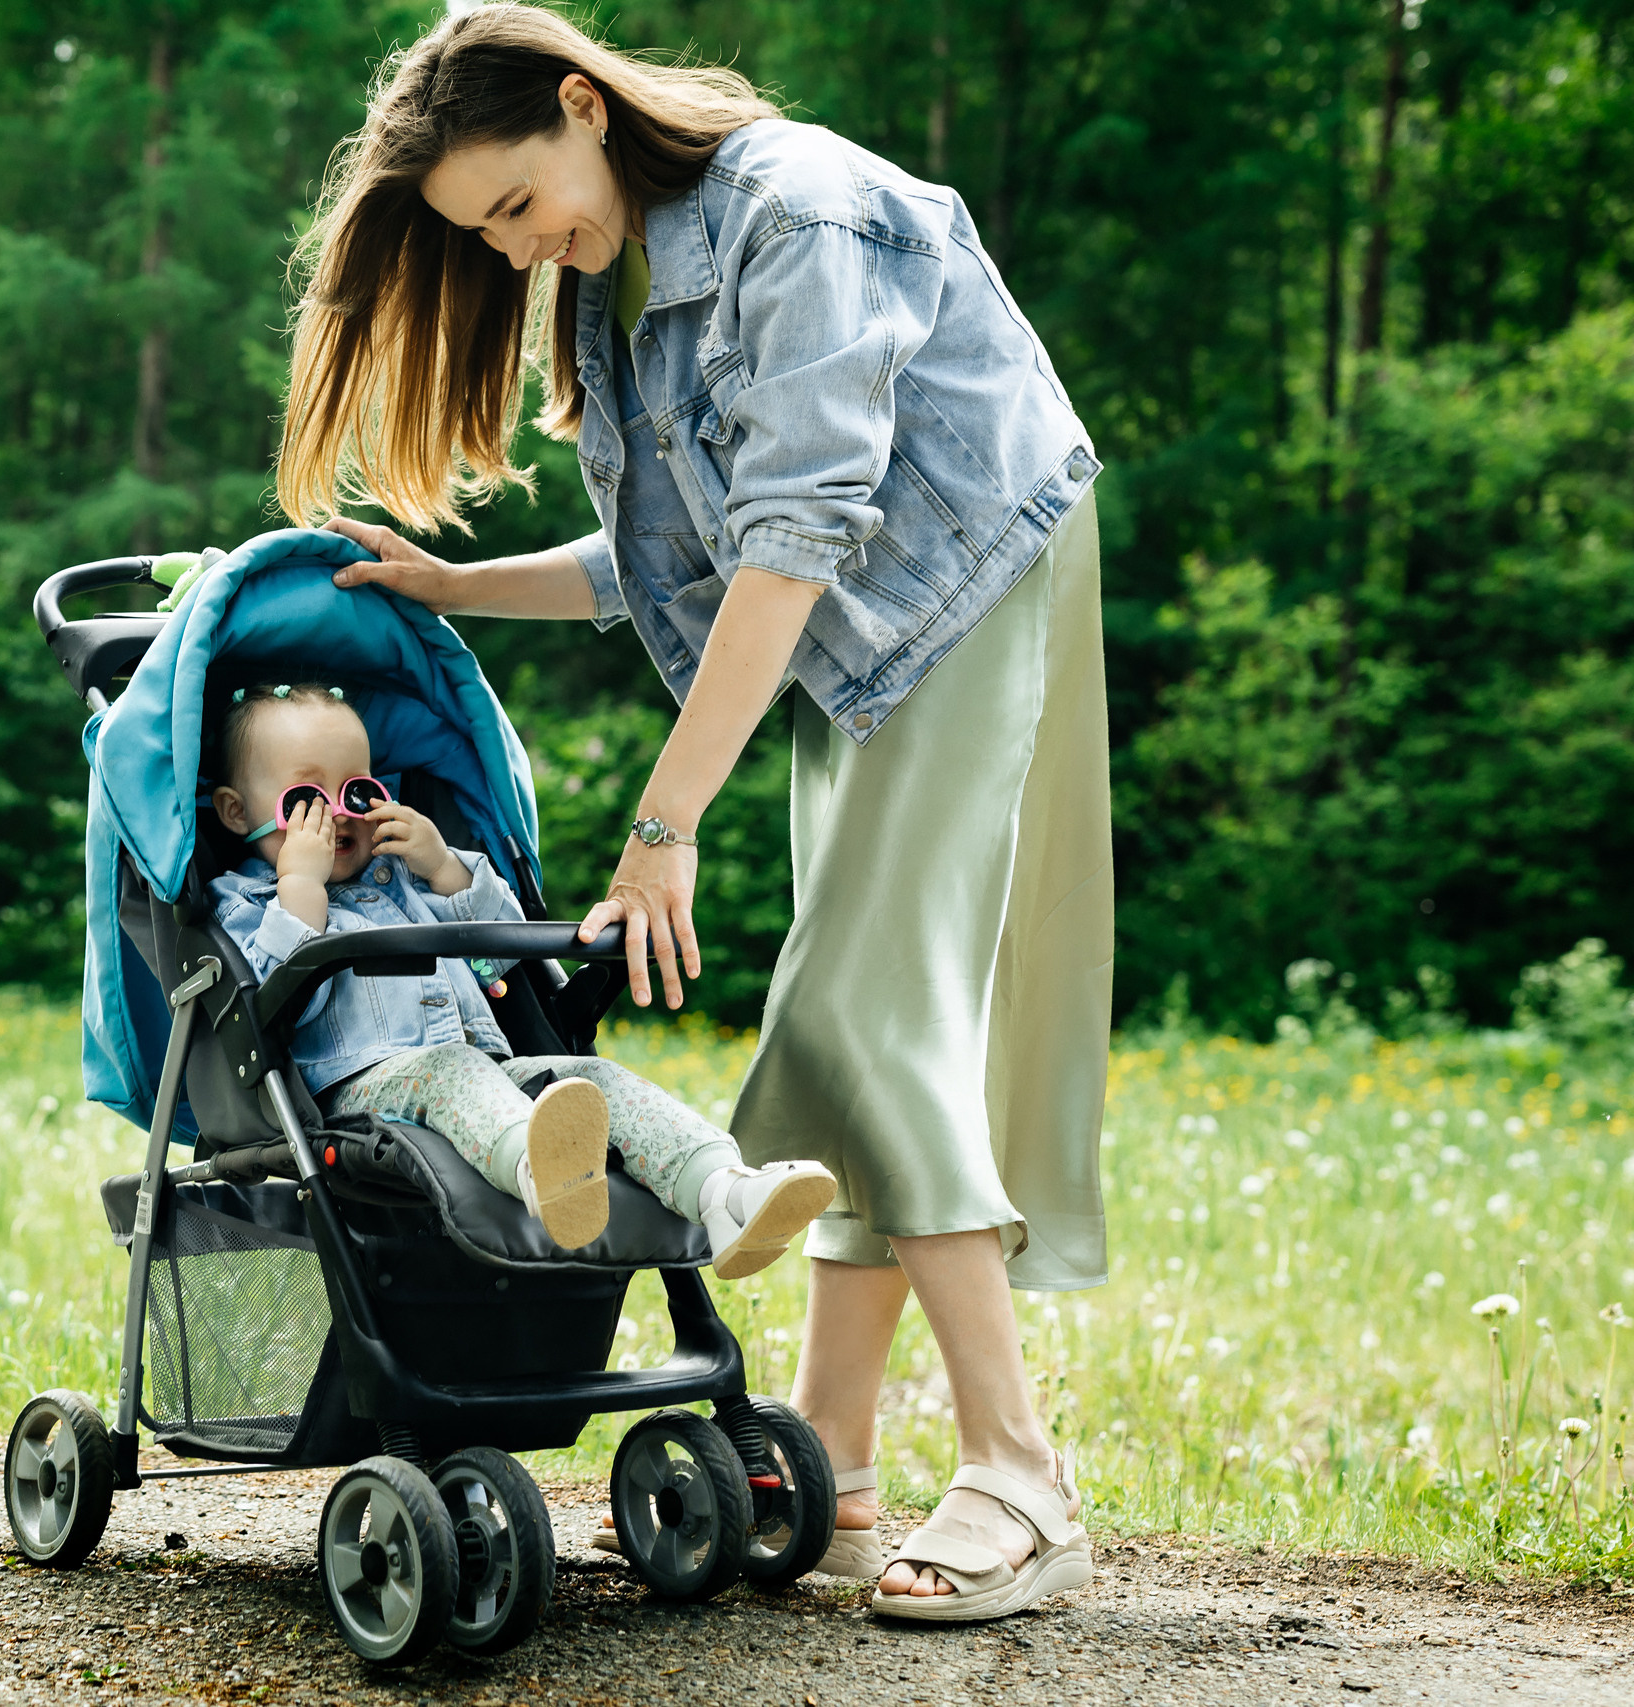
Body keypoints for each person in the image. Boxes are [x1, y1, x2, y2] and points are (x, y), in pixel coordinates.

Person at [274, 5, 1111, 1622]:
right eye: (489, 237)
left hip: (965, 588)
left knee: (864, 1010)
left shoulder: (799, 208)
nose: (525, 249)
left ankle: (1021, 1471)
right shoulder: (617, 290)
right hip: (848, 640)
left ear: (585, 104)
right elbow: (668, 561)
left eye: (519, 204)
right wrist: (451, 583)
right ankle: (834, 1463)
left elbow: (797, 531)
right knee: (842, 1030)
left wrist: (666, 821)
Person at [208, 680, 836, 1276]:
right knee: (453, 1072)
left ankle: (723, 1192)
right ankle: (547, 1175)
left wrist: (444, 867)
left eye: (358, 793)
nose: (338, 818)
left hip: (487, 1070)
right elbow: (265, 1010)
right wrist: (301, 886)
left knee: (594, 1078)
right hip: (359, 1093)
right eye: (305, 801)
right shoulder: (246, 901)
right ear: (238, 812)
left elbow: (501, 959)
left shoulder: (409, 879)